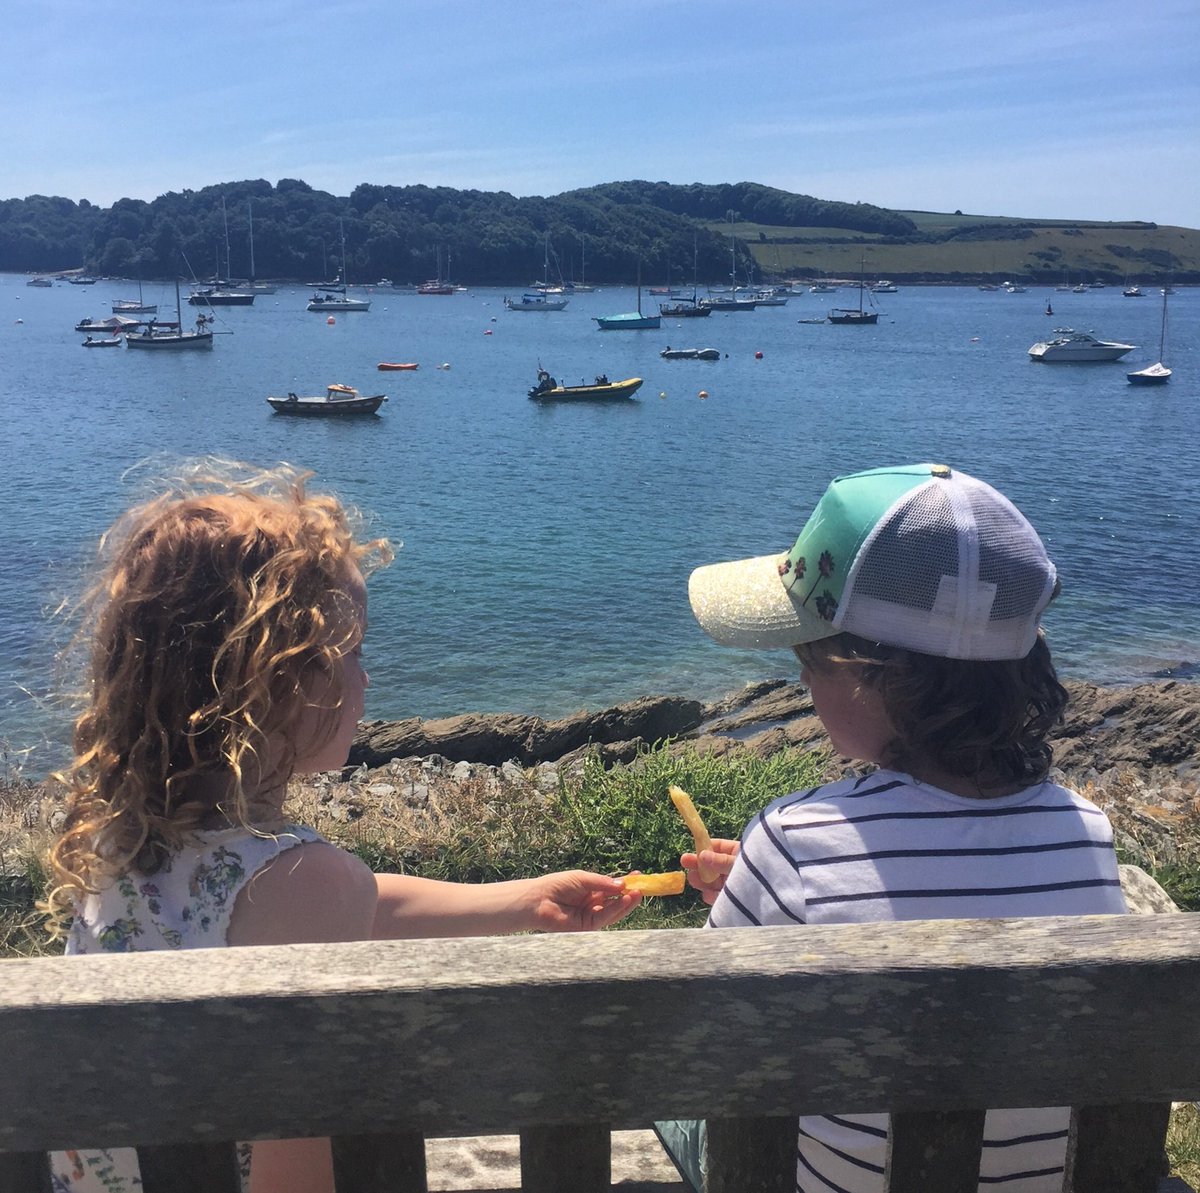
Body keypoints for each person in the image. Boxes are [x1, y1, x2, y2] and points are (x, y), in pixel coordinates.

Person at [45, 460, 641, 1193]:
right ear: (268, 683)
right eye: (349, 654)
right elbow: (293, 1173)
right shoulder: (300, 884)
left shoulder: (124, 833)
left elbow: (347, 903)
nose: (366, 680)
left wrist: (520, 902)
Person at [662, 462, 1127, 1193]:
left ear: (871, 673)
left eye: (807, 655)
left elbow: (705, 1049)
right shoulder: (1086, 832)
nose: (803, 680)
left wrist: (754, 888)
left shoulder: (792, 841)